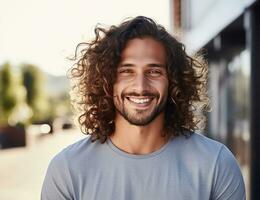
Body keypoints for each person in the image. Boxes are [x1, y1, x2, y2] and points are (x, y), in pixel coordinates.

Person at [41, 16, 246, 200]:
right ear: (106, 81)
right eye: (126, 71)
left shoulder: (216, 164)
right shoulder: (67, 170)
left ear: (173, 81)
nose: (140, 86)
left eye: (154, 71)